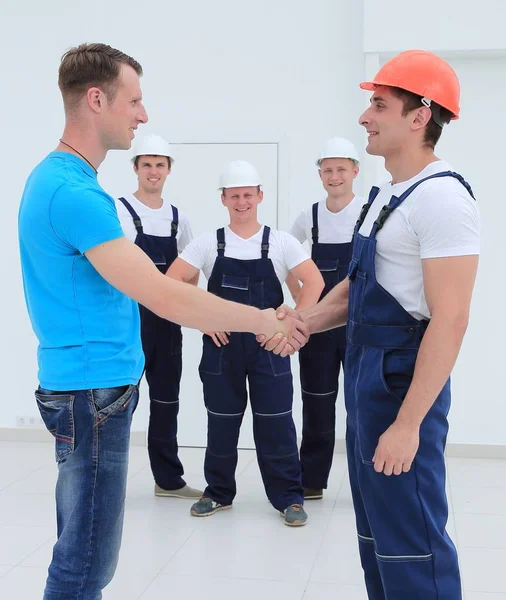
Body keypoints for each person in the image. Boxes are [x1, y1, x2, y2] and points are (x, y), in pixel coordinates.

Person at [18, 44, 308, 600]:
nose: (143, 115)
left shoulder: (59, 181)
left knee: (81, 552)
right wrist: (264, 320)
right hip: (90, 389)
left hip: (85, 384)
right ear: (97, 99)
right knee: (85, 564)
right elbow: (164, 295)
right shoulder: (76, 193)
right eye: (135, 100)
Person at [266, 50, 480, 598]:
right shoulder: (386, 195)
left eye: (379, 104)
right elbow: (358, 286)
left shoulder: (442, 199)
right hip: (365, 378)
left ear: (419, 116)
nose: (364, 116)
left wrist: (408, 425)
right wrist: (304, 322)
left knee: (412, 541)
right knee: (377, 536)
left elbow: (450, 321)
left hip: (401, 384)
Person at [166, 160, 324, 526]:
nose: (241, 201)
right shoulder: (208, 243)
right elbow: (172, 283)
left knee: (277, 422)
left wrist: (292, 323)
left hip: (270, 348)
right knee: (221, 422)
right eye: (234, 195)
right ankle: (218, 492)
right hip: (221, 351)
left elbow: (314, 283)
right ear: (223, 199)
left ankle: (289, 497)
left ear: (260, 196)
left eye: (248, 195)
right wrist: (203, 320)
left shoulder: (280, 242)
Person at [116, 134, 202, 499]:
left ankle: (168, 480)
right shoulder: (118, 209)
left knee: (167, 401)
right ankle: (109, 482)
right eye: (146, 164)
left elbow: (191, 270)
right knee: (119, 404)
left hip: (167, 323)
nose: (153, 171)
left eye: (160, 164)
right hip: (128, 322)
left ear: (169, 170)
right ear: (135, 168)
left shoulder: (178, 219)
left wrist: (183, 304)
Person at [287, 136, 363, 500]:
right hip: (318, 328)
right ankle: (312, 480)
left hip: (358, 324)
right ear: (320, 174)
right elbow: (283, 256)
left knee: (362, 404)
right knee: (317, 400)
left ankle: (368, 481)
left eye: (341, 170)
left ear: (355, 171)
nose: (334, 177)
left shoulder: (367, 211)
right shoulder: (310, 216)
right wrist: (303, 302)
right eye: (328, 170)